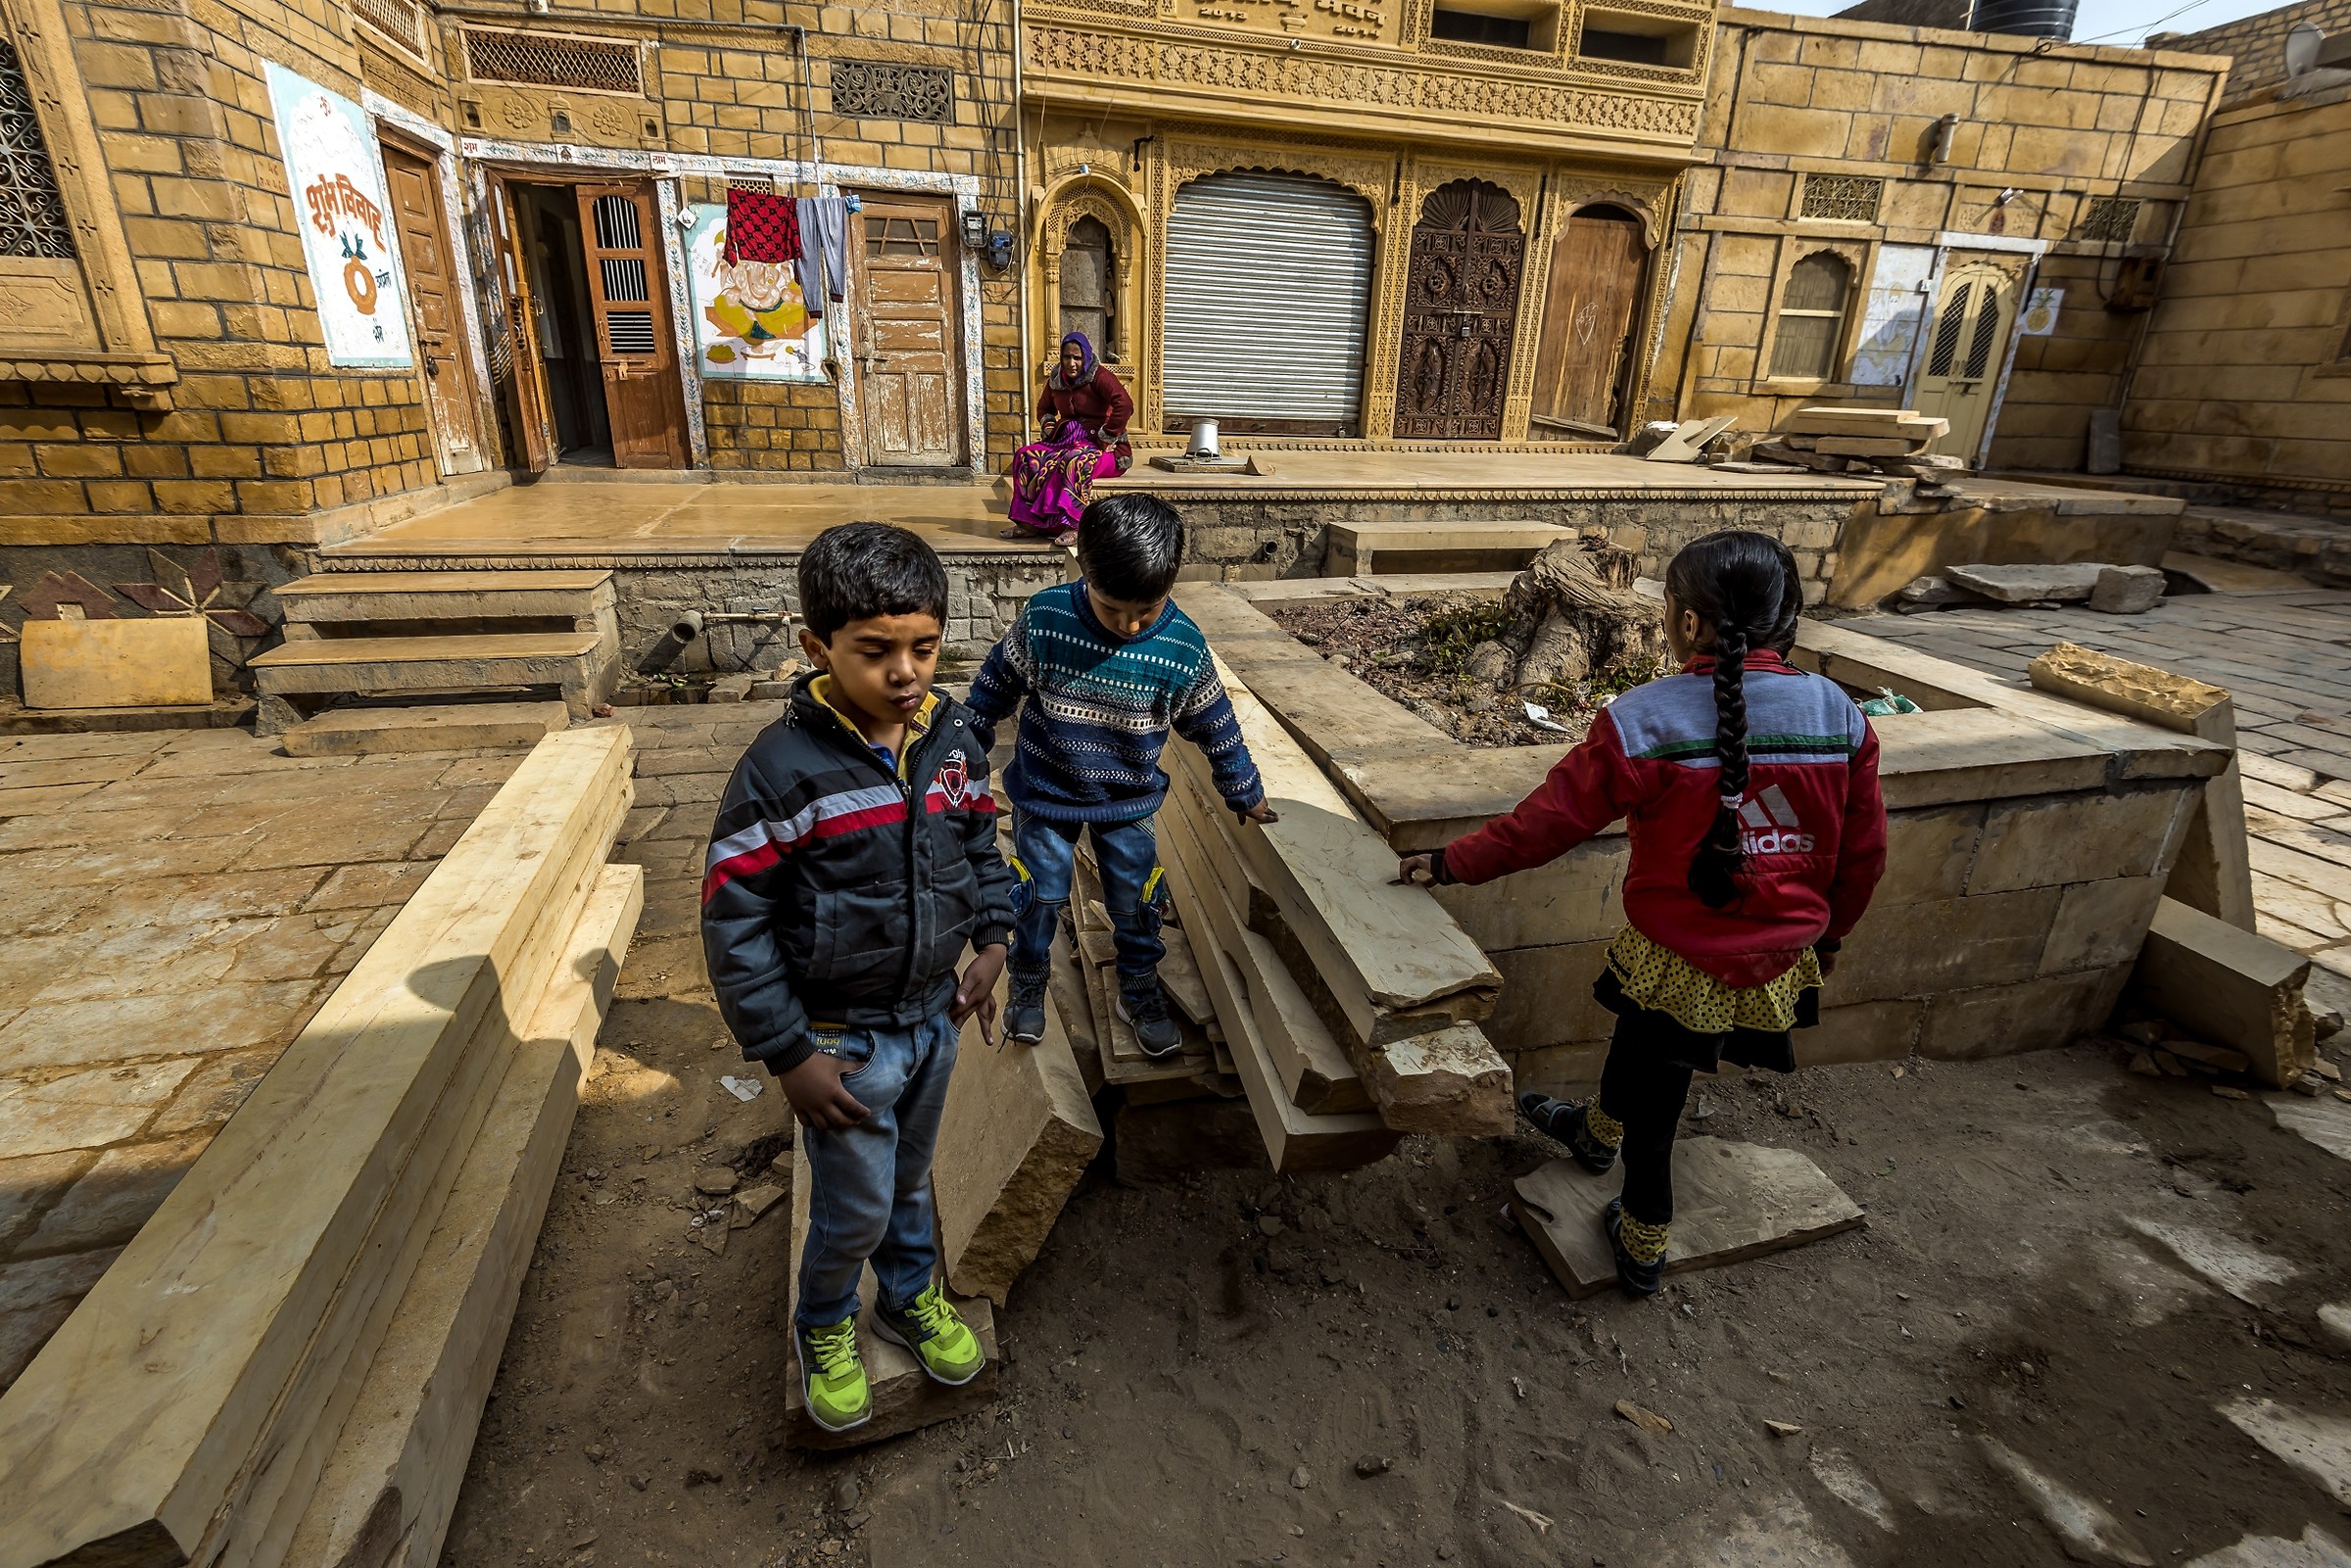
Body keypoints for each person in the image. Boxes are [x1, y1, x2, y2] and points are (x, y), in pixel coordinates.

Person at [1397, 530, 1887, 1298]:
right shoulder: (1842, 716)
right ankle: (1596, 1131)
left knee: (1660, 1093)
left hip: (1681, 953)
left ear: (1689, 623)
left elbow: (1547, 823)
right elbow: (1864, 854)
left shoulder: (1643, 719)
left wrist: (1452, 862)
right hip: (1780, 956)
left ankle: (1645, 1225)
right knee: (1641, 1045)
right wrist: (1831, 939)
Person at [700, 521, 1014, 1434]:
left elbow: (977, 846)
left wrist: (992, 941)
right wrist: (788, 1050)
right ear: (817, 646)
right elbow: (735, 918)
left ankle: (907, 1298)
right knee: (855, 1199)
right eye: (875, 651)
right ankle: (826, 1320)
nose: (906, 671)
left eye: (924, 646)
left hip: (932, 1022)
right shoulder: (781, 771)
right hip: (840, 1038)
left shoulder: (952, 741)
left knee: (911, 1181)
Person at [966, 492, 1277, 1058]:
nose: (1131, 624)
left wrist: (1244, 790)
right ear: (1083, 570)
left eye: (1148, 609)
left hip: (1128, 805)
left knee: (1137, 904)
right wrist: (967, 750)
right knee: (1035, 898)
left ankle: (1137, 989)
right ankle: (1029, 983)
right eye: (1113, 610)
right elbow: (994, 687)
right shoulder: (1047, 617)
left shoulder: (1182, 647)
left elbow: (1216, 724)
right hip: (1045, 794)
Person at [1007, 331, 1132, 546]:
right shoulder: (1056, 380)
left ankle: (1073, 525)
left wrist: (1107, 435)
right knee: (1026, 456)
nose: (1072, 363)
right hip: (1064, 442)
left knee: (1074, 461)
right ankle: (1028, 523)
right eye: (1067, 357)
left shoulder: (1100, 376)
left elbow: (1125, 404)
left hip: (1104, 450)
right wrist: (1049, 426)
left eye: (1077, 357)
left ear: (1086, 356)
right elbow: (1044, 408)